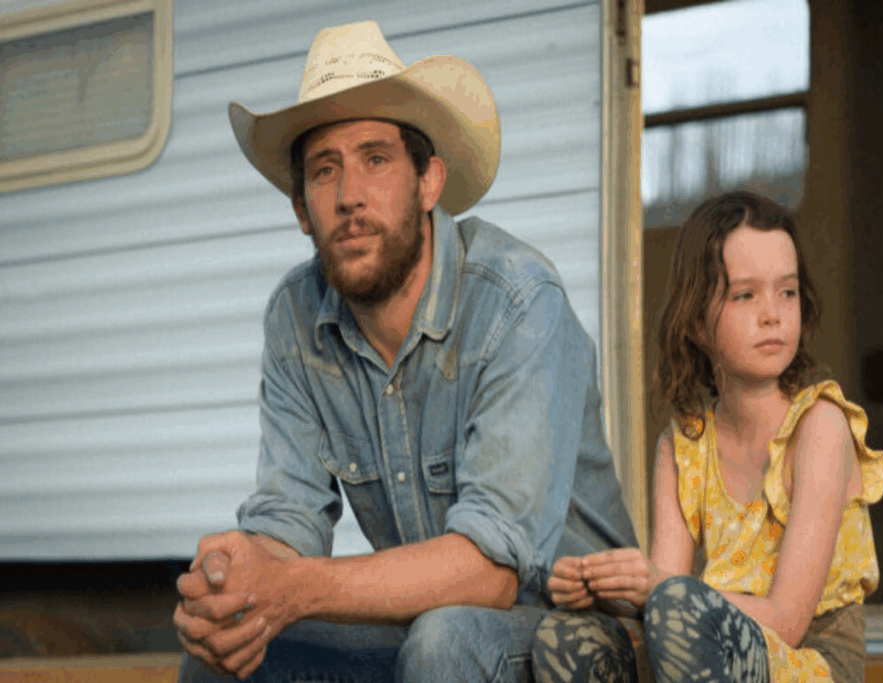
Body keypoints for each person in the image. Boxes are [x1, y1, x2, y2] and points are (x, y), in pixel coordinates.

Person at [172, 21, 639, 683]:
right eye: (324, 170)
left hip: (581, 636)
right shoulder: (294, 317)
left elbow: (491, 571)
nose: (350, 196)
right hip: (433, 625)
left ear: (429, 182)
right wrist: (229, 582)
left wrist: (292, 587)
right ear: (302, 208)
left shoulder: (518, 301)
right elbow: (289, 518)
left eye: (375, 158)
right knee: (226, 646)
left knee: (445, 640)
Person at [536, 191, 883, 683]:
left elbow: (788, 620)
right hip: (712, 647)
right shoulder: (682, 444)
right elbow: (662, 594)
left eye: (786, 292)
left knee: (679, 607)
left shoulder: (820, 427)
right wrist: (607, 586)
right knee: (567, 636)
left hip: (811, 660)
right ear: (697, 320)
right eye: (745, 295)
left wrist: (659, 587)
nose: (772, 314)